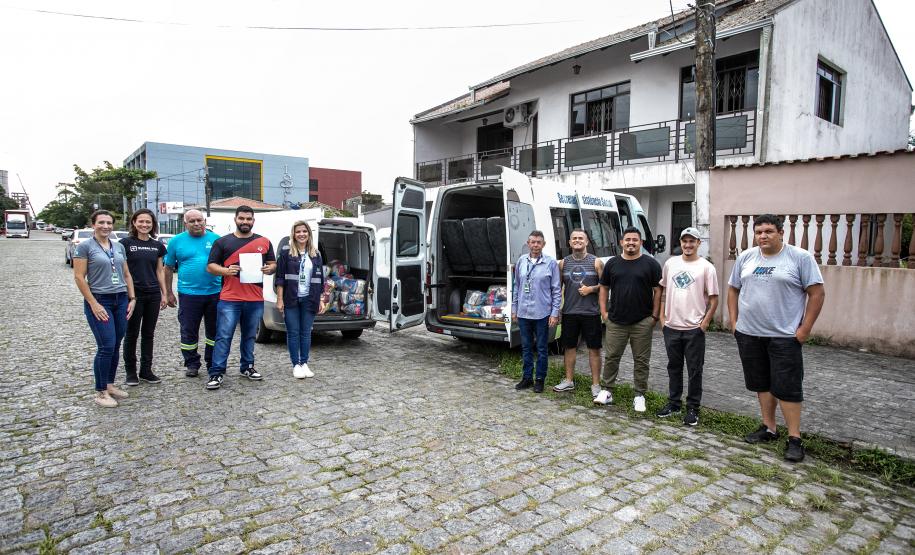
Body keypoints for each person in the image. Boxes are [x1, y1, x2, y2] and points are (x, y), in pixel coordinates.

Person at [727, 214, 824, 462]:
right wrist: (735, 322)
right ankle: (769, 427)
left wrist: (804, 330)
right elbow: (733, 289)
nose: (763, 236)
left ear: (781, 232)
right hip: (749, 334)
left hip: (784, 337)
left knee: (788, 387)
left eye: (768, 231)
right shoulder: (746, 258)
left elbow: (816, 293)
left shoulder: (800, 258)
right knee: (761, 383)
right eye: (759, 232)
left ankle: (794, 438)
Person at [205, 205, 276, 390]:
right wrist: (226, 271)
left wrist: (270, 269)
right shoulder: (222, 243)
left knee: (249, 336)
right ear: (235, 219)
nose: (245, 222)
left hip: (254, 298)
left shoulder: (265, 242)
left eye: (249, 219)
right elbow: (211, 267)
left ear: (253, 220)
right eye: (242, 218)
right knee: (224, 336)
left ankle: (247, 367)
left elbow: (272, 264)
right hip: (230, 298)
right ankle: (217, 372)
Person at [655, 227, 719, 426]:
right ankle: (674, 403)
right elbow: (663, 290)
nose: (688, 245)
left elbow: (714, 299)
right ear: (680, 242)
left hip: (694, 328)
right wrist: (662, 318)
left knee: (694, 369)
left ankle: (693, 408)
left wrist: (705, 322)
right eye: (685, 241)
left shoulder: (706, 267)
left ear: (699, 243)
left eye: (692, 241)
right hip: (671, 327)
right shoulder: (670, 263)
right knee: (673, 367)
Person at [73, 210, 136, 408]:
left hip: (120, 299)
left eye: (109, 223)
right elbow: (79, 277)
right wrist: (93, 303)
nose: (106, 226)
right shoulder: (84, 247)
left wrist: (132, 298)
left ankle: (109, 384)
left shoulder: (118, 246)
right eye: (101, 222)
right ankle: (100, 392)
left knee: (116, 343)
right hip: (100, 300)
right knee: (106, 345)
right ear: (93, 224)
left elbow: (126, 274)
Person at [595, 227, 662, 411]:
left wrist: (654, 317)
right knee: (611, 357)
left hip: (642, 321)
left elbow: (658, 291)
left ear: (640, 242)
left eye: (635, 240)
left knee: (641, 360)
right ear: (621, 242)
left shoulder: (651, 264)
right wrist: (604, 313)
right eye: (627, 240)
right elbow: (603, 288)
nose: (631, 243)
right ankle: (607, 391)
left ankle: (639, 395)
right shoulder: (613, 264)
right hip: (615, 320)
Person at [164, 209, 222, 378]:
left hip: (215, 292)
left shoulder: (216, 239)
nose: (197, 223)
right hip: (188, 294)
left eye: (199, 220)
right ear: (185, 223)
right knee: (189, 330)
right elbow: (168, 268)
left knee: (214, 330)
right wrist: (168, 292)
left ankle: (212, 362)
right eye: (192, 221)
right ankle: (192, 363)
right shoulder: (176, 241)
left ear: (205, 221)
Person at [552, 229, 604, 399]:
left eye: (581, 238)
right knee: (569, 347)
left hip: (591, 313)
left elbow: (605, 287)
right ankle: (568, 380)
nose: (577, 241)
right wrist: (557, 310)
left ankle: (596, 385)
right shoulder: (563, 263)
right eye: (574, 238)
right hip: (570, 312)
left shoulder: (596, 262)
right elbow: (557, 289)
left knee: (594, 349)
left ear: (587, 242)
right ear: (569, 242)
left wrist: (591, 289)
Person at [120, 208, 167, 386]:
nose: (144, 225)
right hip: (133, 295)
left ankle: (146, 370)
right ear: (134, 223)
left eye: (148, 222)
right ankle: (130, 372)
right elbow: (123, 270)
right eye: (141, 221)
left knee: (148, 333)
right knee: (131, 334)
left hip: (153, 294)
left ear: (152, 224)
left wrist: (164, 293)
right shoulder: (124, 244)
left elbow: (159, 270)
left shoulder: (157, 246)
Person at [511, 230, 561, 393]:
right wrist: (514, 309)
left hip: (542, 313)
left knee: (541, 348)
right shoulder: (521, 261)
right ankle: (526, 378)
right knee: (526, 347)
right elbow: (516, 286)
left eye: (539, 242)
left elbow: (556, 289)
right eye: (532, 242)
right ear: (528, 243)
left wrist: (554, 313)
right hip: (524, 312)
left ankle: (539, 379)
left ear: (543, 244)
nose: (535, 245)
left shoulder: (550, 263)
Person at [275, 221, 324, 379]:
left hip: (310, 299)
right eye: (298, 232)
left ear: (309, 234)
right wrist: (279, 299)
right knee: (293, 333)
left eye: (304, 231)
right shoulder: (286, 253)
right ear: (293, 234)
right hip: (291, 299)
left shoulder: (316, 254)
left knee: (306, 333)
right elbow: (280, 278)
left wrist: (321, 299)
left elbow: (320, 279)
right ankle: (295, 364)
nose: (301, 234)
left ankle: (304, 363)